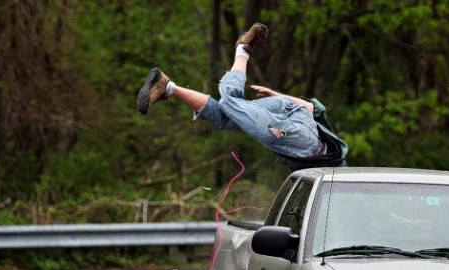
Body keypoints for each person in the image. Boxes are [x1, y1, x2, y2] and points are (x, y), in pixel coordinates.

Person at [136, 23, 347, 171]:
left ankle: (167, 87)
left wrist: (279, 96)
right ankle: (243, 50)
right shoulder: (336, 175)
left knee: (226, 115)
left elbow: (313, 109)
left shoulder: (335, 152)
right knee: (230, 100)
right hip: (302, 142)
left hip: (295, 112)